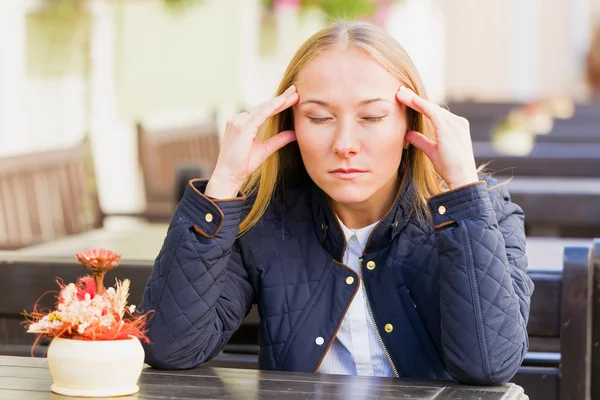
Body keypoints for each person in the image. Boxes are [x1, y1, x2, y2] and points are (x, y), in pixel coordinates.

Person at [140, 20, 533, 386]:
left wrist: (462, 190)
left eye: (373, 117)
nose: (345, 144)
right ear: (290, 122)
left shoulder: (484, 212)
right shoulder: (264, 217)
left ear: (411, 123)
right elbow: (171, 348)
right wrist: (224, 183)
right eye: (319, 117)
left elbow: (489, 366)